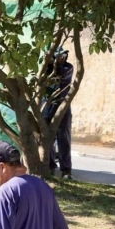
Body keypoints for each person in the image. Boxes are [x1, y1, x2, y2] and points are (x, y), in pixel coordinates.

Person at [43, 47, 75, 178]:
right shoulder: (45, 69)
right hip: (47, 106)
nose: (63, 58)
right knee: (48, 139)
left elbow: (61, 74)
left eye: (64, 56)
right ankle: (50, 166)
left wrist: (55, 63)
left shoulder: (68, 67)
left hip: (63, 107)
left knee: (64, 139)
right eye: (60, 56)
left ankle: (66, 169)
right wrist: (48, 63)